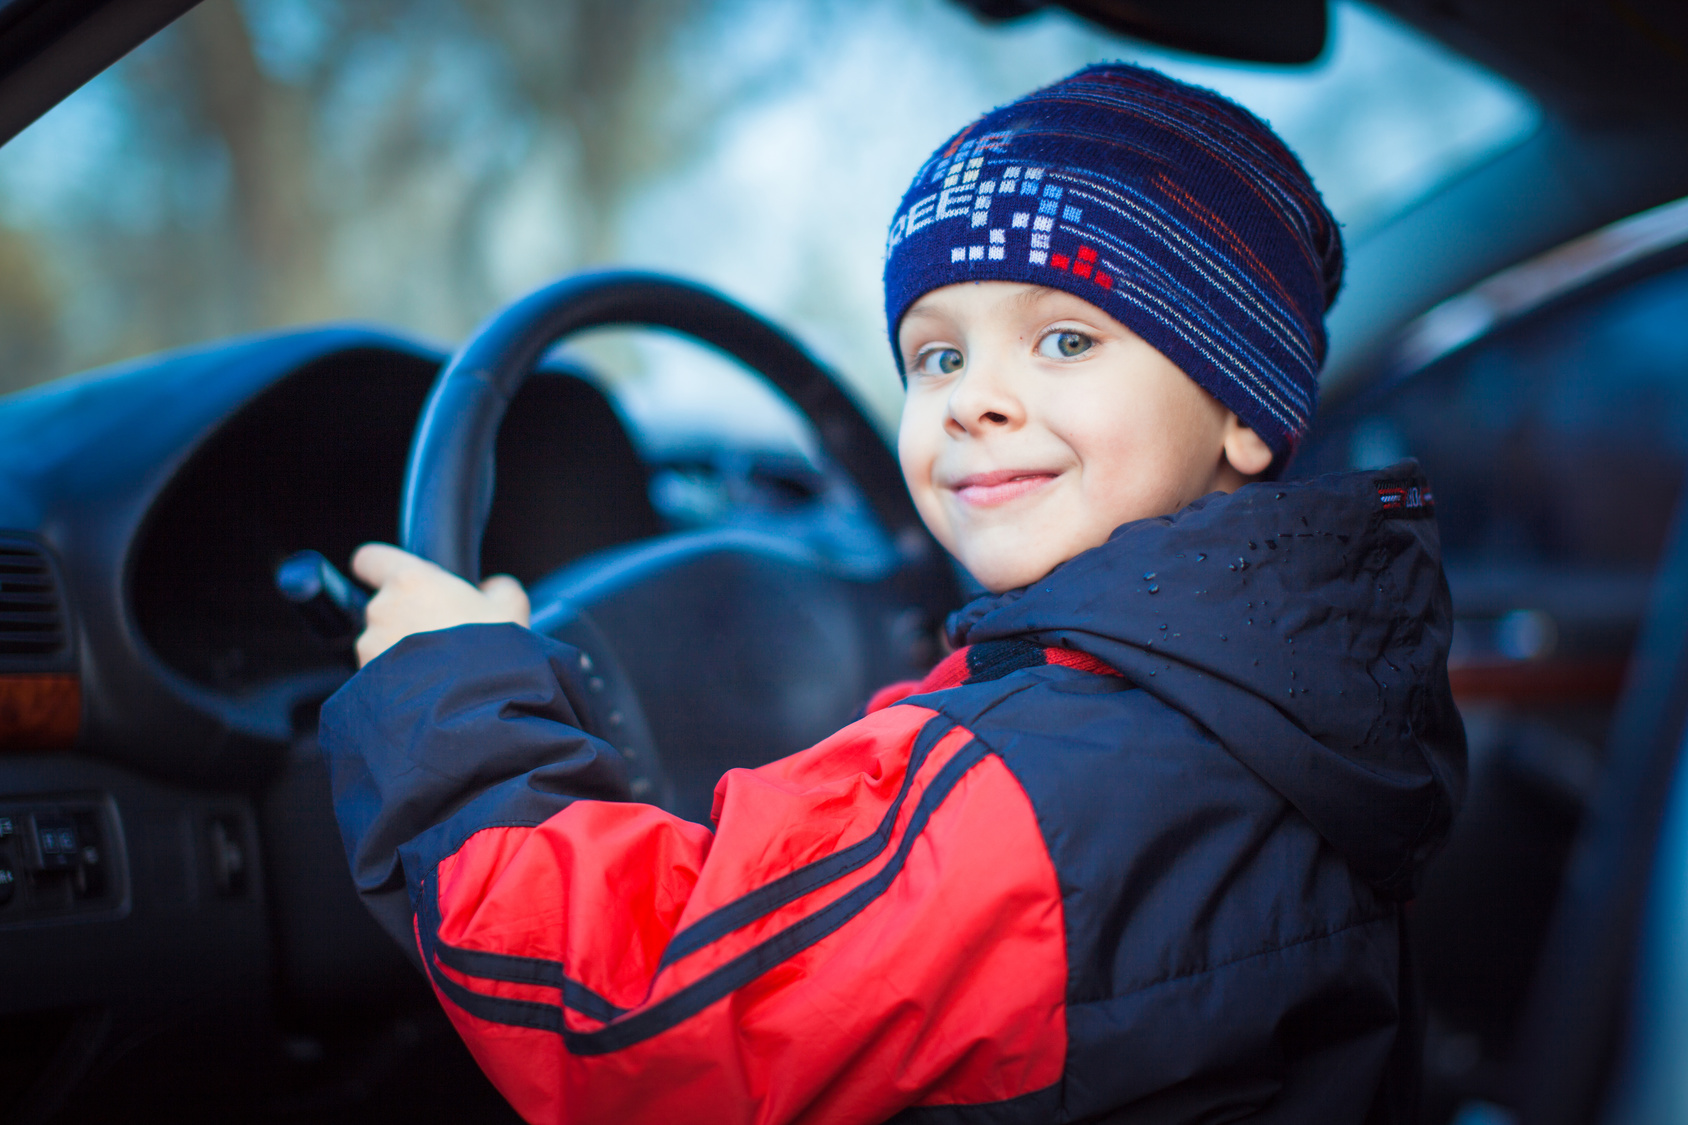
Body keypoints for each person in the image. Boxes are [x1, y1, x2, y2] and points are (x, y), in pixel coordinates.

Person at [322, 63, 1465, 1124]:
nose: (971, 400)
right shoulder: (1302, 694)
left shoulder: (1027, 790)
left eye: (1065, 340)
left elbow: (621, 1019)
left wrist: (451, 700)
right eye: (938, 357)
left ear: (1242, 413)